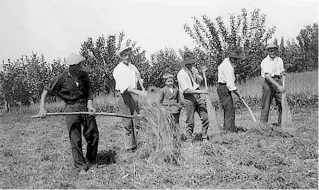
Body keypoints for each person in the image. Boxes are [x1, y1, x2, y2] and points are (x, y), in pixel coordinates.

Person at [38, 53, 99, 173]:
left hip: (85, 107)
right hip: (71, 108)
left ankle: (91, 160)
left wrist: (90, 105)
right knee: (75, 139)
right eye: (76, 65)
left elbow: (90, 91)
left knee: (93, 134)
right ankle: (80, 166)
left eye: (79, 64)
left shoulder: (83, 75)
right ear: (70, 66)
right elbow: (45, 91)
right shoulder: (61, 78)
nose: (79, 67)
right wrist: (42, 108)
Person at [112, 47, 146, 153]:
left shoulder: (133, 67)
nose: (127, 57)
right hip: (123, 96)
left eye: (129, 55)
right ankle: (129, 147)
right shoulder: (118, 69)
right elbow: (125, 88)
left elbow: (139, 80)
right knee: (127, 122)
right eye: (125, 55)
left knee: (137, 119)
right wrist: (140, 93)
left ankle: (137, 144)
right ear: (121, 56)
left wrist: (141, 86)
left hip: (134, 95)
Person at [177, 51, 209, 142]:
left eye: (192, 63)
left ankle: (204, 137)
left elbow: (200, 80)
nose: (191, 65)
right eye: (189, 63)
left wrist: (201, 73)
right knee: (190, 121)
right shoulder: (181, 74)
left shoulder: (193, 70)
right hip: (188, 98)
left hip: (198, 96)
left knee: (205, 117)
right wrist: (202, 91)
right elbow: (186, 90)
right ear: (185, 63)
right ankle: (189, 139)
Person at [217, 48, 246, 133]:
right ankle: (229, 131)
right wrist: (239, 95)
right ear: (230, 57)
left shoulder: (227, 61)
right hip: (224, 88)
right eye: (234, 58)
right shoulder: (227, 66)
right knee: (230, 109)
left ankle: (227, 127)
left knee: (228, 109)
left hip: (224, 88)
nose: (236, 60)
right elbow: (230, 85)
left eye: (237, 58)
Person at [260, 43, 285, 126]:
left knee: (282, 103)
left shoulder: (279, 60)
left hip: (278, 80)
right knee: (266, 104)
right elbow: (267, 76)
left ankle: (282, 124)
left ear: (276, 50)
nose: (272, 52)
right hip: (268, 82)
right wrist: (278, 86)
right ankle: (263, 126)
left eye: (273, 50)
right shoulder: (265, 62)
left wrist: (282, 72)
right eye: (270, 50)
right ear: (268, 51)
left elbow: (281, 70)